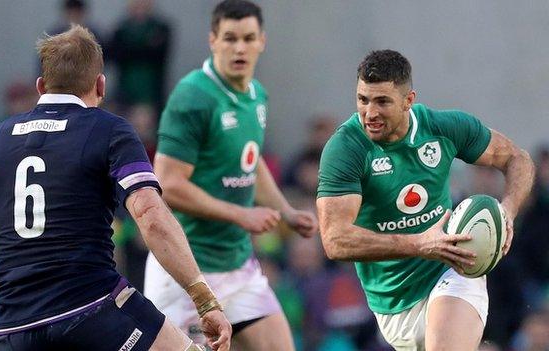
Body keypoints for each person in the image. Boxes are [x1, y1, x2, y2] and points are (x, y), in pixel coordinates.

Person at [0, 25, 231, 351]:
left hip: (13, 328)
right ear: (100, 85)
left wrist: (27, 274)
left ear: (41, 86)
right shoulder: (108, 130)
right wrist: (203, 299)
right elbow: (148, 211)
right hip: (92, 309)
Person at [316, 49, 535, 350]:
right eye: (363, 100)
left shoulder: (443, 128)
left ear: (408, 100)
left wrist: (507, 211)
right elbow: (335, 240)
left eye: (382, 101)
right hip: (392, 305)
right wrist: (419, 244)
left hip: (451, 270)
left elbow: (517, 159)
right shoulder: (346, 149)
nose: (370, 112)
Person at [145, 1, 318, 350]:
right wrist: (242, 214)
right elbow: (168, 184)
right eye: (230, 38)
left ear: (261, 42)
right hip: (186, 272)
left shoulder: (257, 96)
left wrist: (286, 211)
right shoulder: (193, 96)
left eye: (248, 38)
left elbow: (249, 165)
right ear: (213, 40)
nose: (240, 47)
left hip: (238, 268)